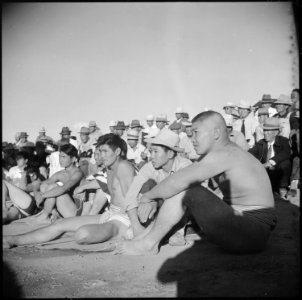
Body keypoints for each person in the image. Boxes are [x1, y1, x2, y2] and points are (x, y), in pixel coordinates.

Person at [117, 110, 277, 256]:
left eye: (196, 133)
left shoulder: (226, 153)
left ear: (216, 133)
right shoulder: (223, 154)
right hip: (245, 228)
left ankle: (148, 244)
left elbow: (178, 181)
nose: (191, 139)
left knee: (187, 188)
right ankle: (145, 238)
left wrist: (147, 197)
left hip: (251, 230)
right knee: (187, 188)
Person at [3, 133, 137, 249]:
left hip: (124, 220)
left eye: (105, 151)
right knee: (59, 224)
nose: (101, 156)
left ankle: (119, 233)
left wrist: (134, 227)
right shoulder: (111, 168)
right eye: (100, 151)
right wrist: (84, 187)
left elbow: (132, 198)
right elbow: (108, 184)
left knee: (82, 234)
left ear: (118, 151)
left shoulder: (124, 166)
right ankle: (12, 240)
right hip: (110, 214)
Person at [124, 128, 192, 243]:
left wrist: (153, 198)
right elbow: (131, 194)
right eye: (151, 152)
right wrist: (136, 226)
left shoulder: (184, 165)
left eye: (156, 152)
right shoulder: (150, 167)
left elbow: (178, 192)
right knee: (148, 184)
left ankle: (177, 229)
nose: (152, 156)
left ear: (170, 153)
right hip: (161, 210)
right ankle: (152, 227)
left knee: (181, 192)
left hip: (184, 212)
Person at [31, 143, 84, 223]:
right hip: (64, 207)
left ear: (73, 159)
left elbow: (63, 188)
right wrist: (37, 191)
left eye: (64, 157)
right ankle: (53, 212)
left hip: (77, 211)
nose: (60, 160)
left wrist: (43, 196)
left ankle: (45, 215)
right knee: (47, 186)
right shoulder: (60, 173)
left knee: (54, 187)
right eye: (59, 157)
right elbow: (43, 184)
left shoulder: (77, 173)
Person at [249, 117, 291, 198]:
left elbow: (286, 153)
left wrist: (271, 162)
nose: (265, 133)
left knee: (285, 163)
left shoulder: (283, 141)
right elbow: (250, 153)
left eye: (268, 131)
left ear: (276, 132)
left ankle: (283, 190)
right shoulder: (261, 143)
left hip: (278, 174)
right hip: (264, 174)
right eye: (264, 130)